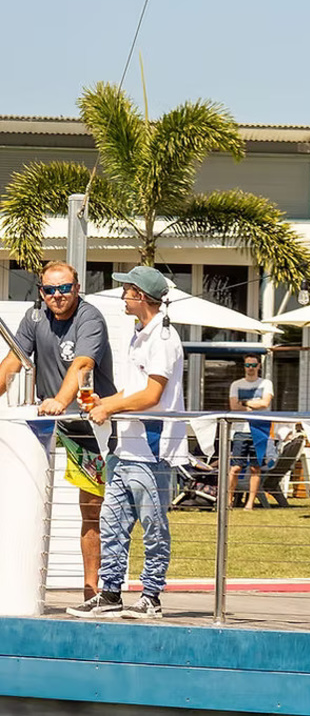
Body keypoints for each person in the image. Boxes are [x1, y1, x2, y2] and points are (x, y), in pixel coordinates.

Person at [67, 266, 185, 621]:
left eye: (128, 291)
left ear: (143, 297)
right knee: (112, 522)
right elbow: (132, 391)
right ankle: (111, 593)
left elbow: (152, 395)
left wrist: (110, 407)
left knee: (153, 527)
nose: (123, 296)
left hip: (152, 451)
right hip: (124, 448)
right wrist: (102, 402)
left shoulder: (163, 340)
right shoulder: (139, 334)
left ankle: (151, 595)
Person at [0, 261, 113, 602]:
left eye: (65, 288)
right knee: (24, 498)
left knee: (90, 509)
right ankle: (19, 587)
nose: (58, 296)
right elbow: (12, 362)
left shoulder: (90, 318)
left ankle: (92, 591)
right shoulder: (35, 317)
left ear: (77, 288)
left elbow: (82, 365)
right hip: (46, 422)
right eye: (51, 290)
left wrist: (61, 401)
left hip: (87, 422)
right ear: (41, 292)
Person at [225, 355, 275, 510]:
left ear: (259, 366)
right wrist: (254, 406)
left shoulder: (266, 383)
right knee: (235, 467)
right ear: (244, 366)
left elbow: (265, 403)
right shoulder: (236, 384)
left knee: (255, 468)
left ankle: (249, 504)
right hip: (240, 430)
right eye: (248, 365)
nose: (251, 368)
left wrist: (245, 403)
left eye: (253, 365)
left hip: (260, 429)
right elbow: (234, 407)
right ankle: (228, 501)